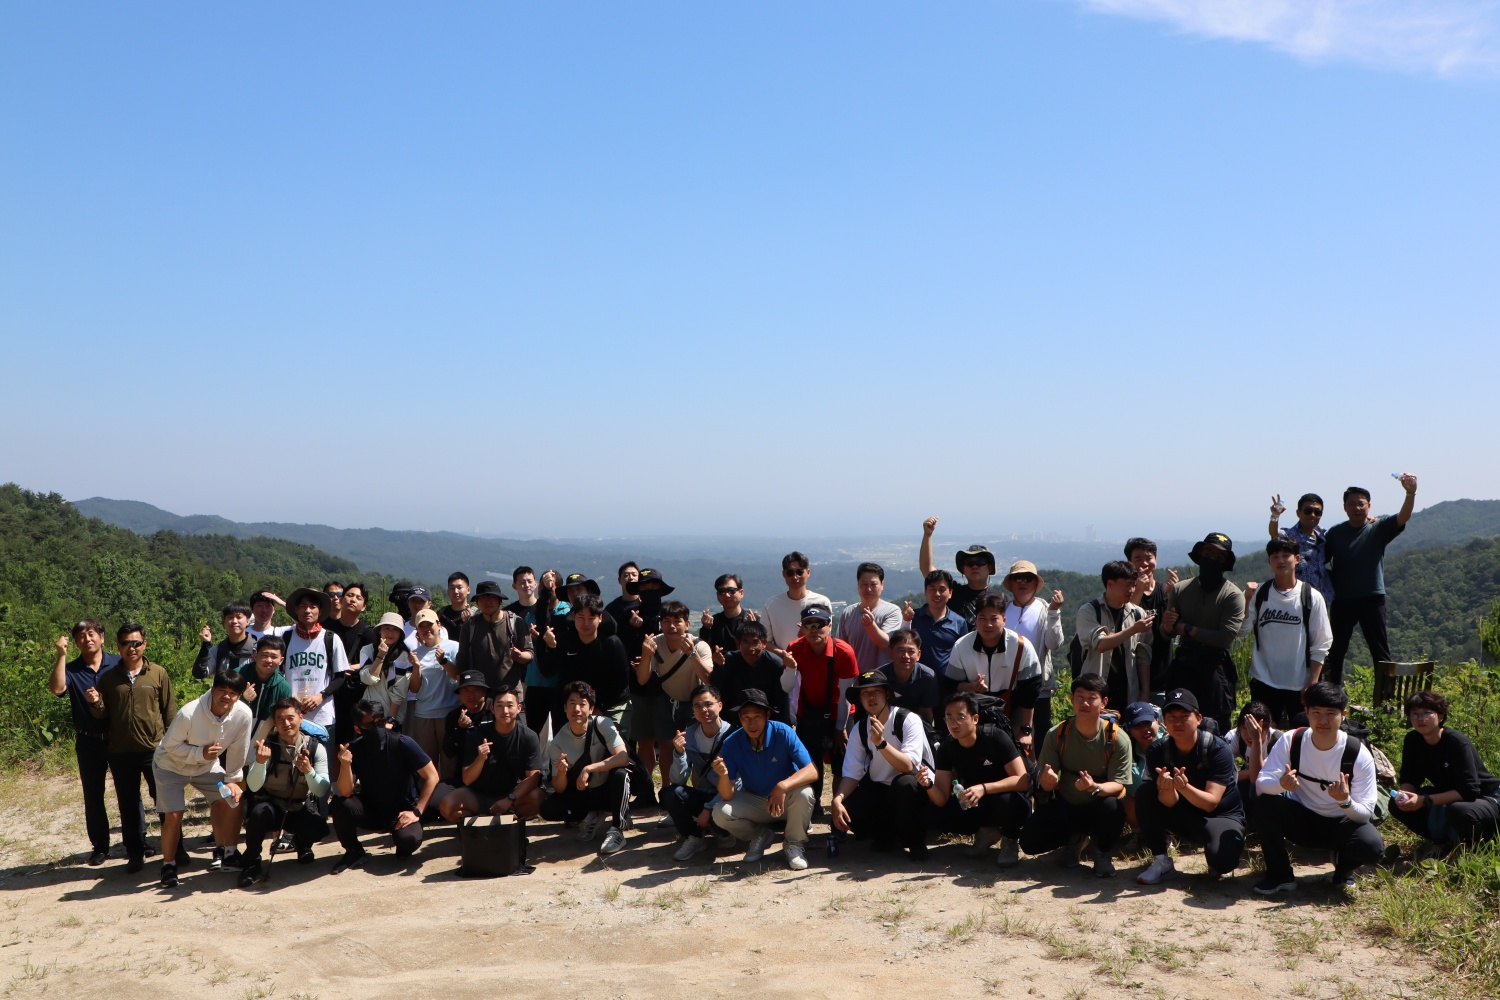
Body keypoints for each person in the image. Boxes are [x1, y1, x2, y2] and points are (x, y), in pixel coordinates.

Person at [1253, 682, 1384, 893]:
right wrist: (1280, 785)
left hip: (1341, 823)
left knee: (1372, 847)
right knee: (1264, 803)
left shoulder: (1358, 754)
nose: (1323, 720)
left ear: (1343, 715)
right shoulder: (1292, 740)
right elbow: (1261, 784)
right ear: (1306, 712)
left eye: (1331, 714)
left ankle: (1343, 867)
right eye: (1316, 713)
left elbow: (1364, 814)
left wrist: (1345, 801)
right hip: (1302, 819)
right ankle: (1279, 875)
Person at [1021, 675, 1132, 877]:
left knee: (1113, 806)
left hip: (1099, 807)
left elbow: (1118, 785)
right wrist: (1047, 782)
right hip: (1067, 805)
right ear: (1072, 699)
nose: (1085, 703)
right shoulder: (1057, 734)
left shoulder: (1117, 738)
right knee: (1029, 841)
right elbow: (1045, 782)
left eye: (1092, 697)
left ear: (1104, 702)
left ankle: (1102, 852)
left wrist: (1094, 787)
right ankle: (1074, 841)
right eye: (1080, 696)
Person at [151, 670, 254, 887]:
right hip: (170, 765)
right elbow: (169, 746)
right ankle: (168, 865)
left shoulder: (243, 715)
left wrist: (232, 779)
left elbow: (239, 749)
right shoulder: (189, 713)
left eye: (233, 693)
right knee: (174, 814)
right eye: (222, 691)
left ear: (239, 696)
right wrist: (201, 753)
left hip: (206, 766)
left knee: (233, 798)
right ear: (213, 690)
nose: (226, 696)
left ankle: (227, 853)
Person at [86, 622, 174, 873]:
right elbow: (102, 714)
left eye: (136, 643)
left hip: (154, 750)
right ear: (118, 646)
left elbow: (169, 711)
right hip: (121, 752)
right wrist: (95, 702)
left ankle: (175, 848)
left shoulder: (158, 673)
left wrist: (174, 744)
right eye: (125, 643)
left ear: (144, 644)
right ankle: (135, 852)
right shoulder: (108, 678)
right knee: (128, 806)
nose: (131, 648)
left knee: (165, 801)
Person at [1134, 689, 1245, 884]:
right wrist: (1167, 788)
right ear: (1164, 722)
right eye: (1172, 717)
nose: (1178, 723)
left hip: (1220, 815)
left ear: (1198, 718)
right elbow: (1167, 802)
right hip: (1184, 812)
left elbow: (1211, 803)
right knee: (1145, 793)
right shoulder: (1157, 750)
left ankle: (1215, 858)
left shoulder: (1218, 749)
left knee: (1223, 861)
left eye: (1185, 716)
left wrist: (1184, 787)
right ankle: (1162, 861)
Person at [1323, 475, 1418, 686]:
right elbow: (1319, 561)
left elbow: (1403, 517)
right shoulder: (1335, 533)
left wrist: (1410, 493)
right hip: (1343, 599)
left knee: (1380, 650)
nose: (1356, 508)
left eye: (1361, 503)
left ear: (1369, 506)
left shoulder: (1378, 528)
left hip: (1372, 598)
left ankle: (1386, 697)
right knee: (1336, 650)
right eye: (1351, 504)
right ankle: (1333, 695)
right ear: (1344, 507)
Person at [920, 692, 1033, 867]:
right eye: (949, 718)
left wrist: (983, 788)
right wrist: (927, 784)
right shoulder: (947, 747)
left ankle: (1010, 840)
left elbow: (1023, 781)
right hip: (976, 801)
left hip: (1009, 798)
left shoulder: (994, 737)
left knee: (1006, 803)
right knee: (932, 814)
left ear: (975, 719)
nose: (953, 724)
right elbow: (941, 798)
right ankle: (987, 831)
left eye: (960, 717)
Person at [712, 689, 819, 870]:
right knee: (720, 813)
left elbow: (812, 771)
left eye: (757, 716)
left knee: (805, 793)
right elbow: (727, 795)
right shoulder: (731, 743)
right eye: (746, 717)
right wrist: (723, 775)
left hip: (786, 800)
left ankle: (794, 843)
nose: (751, 723)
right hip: (755, 800)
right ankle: (759, 835)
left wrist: (782, 786)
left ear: (767, 715)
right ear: (739, 718)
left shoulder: (783, 732)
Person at [330, 699, 441, 872]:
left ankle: (402, 846)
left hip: (402, 811)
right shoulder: (355, 749)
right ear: (357, 729)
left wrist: (417, 812)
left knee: (409, 840)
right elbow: (345, 791)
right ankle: (353, 851)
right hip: (372, 810)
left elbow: (432, 776)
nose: (377, 728)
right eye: (371, 725)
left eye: (380, 722)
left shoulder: (402, 743)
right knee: (340, 805)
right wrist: (345, 765)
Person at [831, 671, 933, 860]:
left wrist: (881, 744)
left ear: (887, 694)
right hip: (880, 789)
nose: (871, 697)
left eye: (876, 691)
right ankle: (888, 836)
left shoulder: (908, 720)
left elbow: (908, 766)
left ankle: (915, 842)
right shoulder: (860, 728)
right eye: (865, 693)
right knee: (848, 808)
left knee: (905, 785)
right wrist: (837, 799)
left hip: (916, 787)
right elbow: (852, 773)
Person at [1238, 537, 1333, 727]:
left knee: (1301, 735)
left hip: (1300, 683)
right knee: (1262, 735)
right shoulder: (1259, 594)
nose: (1280, 560)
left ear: (1297, 558)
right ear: (1269, 561)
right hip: (1263, 680)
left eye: (1286, 555)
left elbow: (1321, 643)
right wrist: (1246, 599)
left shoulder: (1311, 597)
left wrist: (1312, 681)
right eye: (1275, 556)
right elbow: (1243, 630)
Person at [1391, 690, 1500, 853]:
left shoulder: (1456, 742)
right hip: (1451, 795)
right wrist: (1404, 796)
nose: (1421, 718)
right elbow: (1410, 777)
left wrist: (1424, 800)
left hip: (1486, 796)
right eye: (1415, 714)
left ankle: (1478, 845)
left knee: (1459, 811)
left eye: (1427, 713)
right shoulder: (1413, 740)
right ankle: (1443, 841)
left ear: (1440, 716)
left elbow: (1469, 790)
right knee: (1395, 804)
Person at [48, 620, 119, 865]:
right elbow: (57, 689)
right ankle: (100, 847)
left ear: (102, 637)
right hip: (88, 741)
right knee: (93, 795)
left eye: (91, 633)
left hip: (119, 738)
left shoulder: (118, 663)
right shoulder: (72, 669)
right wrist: (61, 656)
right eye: (81, 636)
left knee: (129, 793)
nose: (87, 639)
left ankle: (137, 841)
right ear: (76, 642)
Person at [1159, 534, 1246, 734]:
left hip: (1215, 669)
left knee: (1215, 727)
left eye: (1219, 556)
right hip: (1184, 666)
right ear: (1200, 554)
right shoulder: (1180, 589)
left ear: (1225, 562)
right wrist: (1167, 626)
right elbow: (1168, 632)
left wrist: (1187, 629)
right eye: (1208, 553)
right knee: (1179, 722)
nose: (1212, 559)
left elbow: (1224, 638)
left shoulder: (1232, 595)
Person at [239, 697, 331, 886]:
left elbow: (322, 790)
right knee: (258, 814)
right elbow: (253, 786)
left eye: (290, 718)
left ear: (301, 717)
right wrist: (260, 763)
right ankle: (252, 862)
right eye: (279, 719)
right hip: (271, 807)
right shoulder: (266, 747)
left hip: (299, 806)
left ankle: (302, 843)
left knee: (319, 828)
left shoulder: (315, 748)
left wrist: (309, 771)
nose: (286, 723)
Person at [540, 682, 632, 856]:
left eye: (582, 704)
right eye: (572, 703)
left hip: (607, 789)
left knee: (621, 775)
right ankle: (591, 815)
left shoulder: (603, 724)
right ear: (565, 708)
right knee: (548, 808)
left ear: (591, 709)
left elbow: (623, 758)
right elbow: (559, 788)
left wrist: (589, 768)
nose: (576, 709)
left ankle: (618, 829)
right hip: (583, 793)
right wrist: (561, 772)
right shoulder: (558, 742)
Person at [946, 592, 1042, 752]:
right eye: (982, 618)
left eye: (994, 618)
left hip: (1012, 708)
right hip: (974, 710)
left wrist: (1026, 730)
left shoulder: (1021, 646)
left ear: (1004, 620)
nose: (988, 624)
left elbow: (1030, 690)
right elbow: (951, 685)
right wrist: (971, 687)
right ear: (976, 620)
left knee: (1019, 757)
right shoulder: (962, 646)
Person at [785, 604, 859, 811]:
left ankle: (839, 805)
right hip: (808, 713)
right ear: (802, 627)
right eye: (809, 625)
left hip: (841, 712)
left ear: (830, 625)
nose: (815, 629)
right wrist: (790, 668)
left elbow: (846, 694)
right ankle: (813, 804)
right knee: (810, 762)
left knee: (842, 763)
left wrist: (840, 728)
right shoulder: (794, 649)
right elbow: (786, 687)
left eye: (820, 624)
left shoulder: (843, 651)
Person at [439, 685, 545, 827]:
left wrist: (509, 799)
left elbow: (533, 778)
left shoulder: (529, 736)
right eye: (499, 706)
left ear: (519, 708)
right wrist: (480, 759)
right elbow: (467, 779)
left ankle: (511, 819)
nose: (505, 711)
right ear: (492, 709)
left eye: (510, 706)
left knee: (538, 797)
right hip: (478, 795)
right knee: (447, 805)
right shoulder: (476, 733)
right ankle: (478, 823)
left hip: (512, 794)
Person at [637, 600, 714, 797]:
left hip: (695, 703)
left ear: (687, 624)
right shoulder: (655, 644)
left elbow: (708, 678)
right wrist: (646, 655)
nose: (671, 626)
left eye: (677, 621)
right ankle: (666, 790)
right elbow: (642, 679)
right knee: (666, 747)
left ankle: (698, 794)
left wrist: (692, 654)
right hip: (668, 701)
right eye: (666, 621)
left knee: (697, 750)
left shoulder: (700, 645)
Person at [663, 684, 734, 862]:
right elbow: (678, 779)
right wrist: (679, 753)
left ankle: (724, 832)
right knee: (669, 793)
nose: (704, 710)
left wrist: (708, 809)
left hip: (729, 797)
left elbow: (737, 783)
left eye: (709, 704)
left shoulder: (735, 736)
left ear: (720, 705)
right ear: (693, 710)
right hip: (704, 794)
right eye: (698, 706)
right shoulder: (689, 736)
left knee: (721, 814)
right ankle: (694, 836)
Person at [1075, 561, 1155, 710]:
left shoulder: (1138, 614)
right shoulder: (1090, 611)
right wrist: (1134, 629)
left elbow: (1143, 655)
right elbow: (1101, 644)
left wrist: (1145, 692)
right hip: (1095, 695)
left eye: (1134, 585)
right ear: (1110, 583)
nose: (1132, 590)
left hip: (1129, 693)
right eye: (1127, 585)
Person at [1000, 561, 1065, 736]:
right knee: (1008, 737)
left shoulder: (1045, 609)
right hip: (1007, 687)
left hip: (1038, 688)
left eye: (1028, 578)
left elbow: (1054, 644)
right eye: (1017, 578)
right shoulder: (1002, 611)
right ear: (1011, 583)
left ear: (1036, 583)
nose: (1023, 582)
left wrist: (1054, 612)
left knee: (1038, 737)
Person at [546, 595, 631, 725]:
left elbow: (622, 682)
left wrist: (600, 708)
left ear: (600, 618)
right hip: (573, 706)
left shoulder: (612, 643)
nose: (585, 623)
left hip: (608, 704)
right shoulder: (565, 640)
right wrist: (550, 648)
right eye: (581, 617)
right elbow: (549, 671)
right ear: (574, 617)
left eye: (591, 618)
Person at [509, 565, 570, 737]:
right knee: (531, 732)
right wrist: (532, 638)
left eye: (550, 586)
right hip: (535, 681)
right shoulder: (532, 614)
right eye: (543, 586)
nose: (545, 590)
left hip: (558, 683)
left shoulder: (567, 612)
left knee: (560, 733)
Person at [281, 587, 351, 734]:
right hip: (290, 715)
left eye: (313, 607)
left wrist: (321, 695)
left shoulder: (331, 639)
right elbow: (276, 673)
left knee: (322, 750)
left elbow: (340, 676)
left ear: (320, 610)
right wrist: (290, 695)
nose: (308, 611)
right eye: (303, 606)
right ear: (296, 609)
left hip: (322, 716)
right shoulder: (286, 638)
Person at [405, 609, 462, 779]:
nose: (426, 629)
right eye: (421, 626)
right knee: (426, 765)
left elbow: (459, 677)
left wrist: (444, 661)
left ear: (439, 625)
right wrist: (416, 667)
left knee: (449, 763)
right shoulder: (416, 654)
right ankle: (428, 795)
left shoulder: (453, 647)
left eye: (429, 625)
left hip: (449, 713)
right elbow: (414, 689)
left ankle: (448, 793)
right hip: (424, 714)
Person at [456, 580, 532, 692]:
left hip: (511, 694)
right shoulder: (470, 626)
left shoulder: (516, 623)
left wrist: (520, 655)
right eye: (483, 598)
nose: (488, 602)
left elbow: (529, 654)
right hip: (480, 694)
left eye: (492, 597)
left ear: (499, 600)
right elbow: (462, 661)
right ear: (477, 602)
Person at [918, 517, 994, 626]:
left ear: (990, 567)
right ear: (963, 569)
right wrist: (927, 535)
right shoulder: (954, 592)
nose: (974, 566)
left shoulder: (1000, 598)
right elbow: (927, 568)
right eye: (969, 563)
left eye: (980, 562)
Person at [325, 582, 375, 747]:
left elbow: (377, 662)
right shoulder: (327, 629)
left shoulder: (369, 633)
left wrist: (352, 667)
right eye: (349, 595)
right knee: (329, 742)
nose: (353, 599)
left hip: (354, 697)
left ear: (364, 606)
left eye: (358, 598)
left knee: (351, 744)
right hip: (329, 693)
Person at [716, 621, 789, 727]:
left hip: (768, 720)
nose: (750, 648)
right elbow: (719, 689)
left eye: (755, 642)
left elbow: (782, 702)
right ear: (738, 644)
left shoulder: (775, 664)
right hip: (736, 720)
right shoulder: (728, 661)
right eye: (745, 642)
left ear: (764, 643)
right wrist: (719, 667)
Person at [1124, 539, 1174, 691]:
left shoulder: (1164, 591)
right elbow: (1125, 620)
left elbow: (1173, 627)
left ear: (1156, 560)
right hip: (1132, 676)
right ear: (1129, 563)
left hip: (1163, 672)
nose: (1144, 563)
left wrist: (1174, 594)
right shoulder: (1125, 594)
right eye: (1138, 559)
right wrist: (1138, 590)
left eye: (1149, 558)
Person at [1269, 493, 1334, 606]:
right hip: (1298, 597)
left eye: (1317, 512)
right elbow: (1274, 533)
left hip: (1323, 596)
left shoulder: (1323, 534)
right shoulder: (1290, 535)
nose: (1312, 515)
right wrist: (1275, 516)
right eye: (1308, 511)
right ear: (1298, 513)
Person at [837, 562, 903, 673]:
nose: (868, 589)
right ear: (858, 585)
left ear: (882, 585)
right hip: (854, 678)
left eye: (873, 584)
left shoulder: (892, 611)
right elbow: (841, 648)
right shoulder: (848, 613)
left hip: (882, 679)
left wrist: (870, 626)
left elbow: (886, 643)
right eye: (864, 584)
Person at [903, 569, 968, 682]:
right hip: (916, 682)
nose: (937, 594)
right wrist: (905, 620)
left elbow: (964, 656)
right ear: (925, 591)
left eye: (942, 589)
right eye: (932, 589)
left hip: (948, 684)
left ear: (950, 593)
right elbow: (900, 643)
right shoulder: (914, 617)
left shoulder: (959, 623)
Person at [761, 551, 829, 650]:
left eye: (799, 572)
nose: (795, 577)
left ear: (808, 572)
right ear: (784, 574)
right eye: (790, 573)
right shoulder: (771, 605)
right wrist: (784, 655)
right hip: (781, 659)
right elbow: (764, 641)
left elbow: (826, 638)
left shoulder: (822, 602)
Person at [1227, 701, 1281, 825]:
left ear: (1268, 727)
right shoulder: (1234, 737)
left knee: (1257, 786)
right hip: (1247, 781)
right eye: (1245, 728)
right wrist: (1248, 772)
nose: (1250, 734)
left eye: (1256, 729)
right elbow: (1223, 775)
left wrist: (1257, 741)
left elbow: (1257, 778)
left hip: (1272, 787)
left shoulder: (1278, 741)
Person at [877, 630, 941, 729]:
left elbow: (926, 713)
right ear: (890, 653)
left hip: (915, 726)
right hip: (885, 725)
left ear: (918, 655)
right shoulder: (879, 677)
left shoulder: (928, 677)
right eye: (900, 650)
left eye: (911, 651)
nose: (906, 656)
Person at [1120, 701, 1165, 839]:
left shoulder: (1171, 742)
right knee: (1126, 797)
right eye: (1137, 725)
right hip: (1140, 801)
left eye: (1147, 722)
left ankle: (1170, 833)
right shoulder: (1125, 749)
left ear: (1157, 721)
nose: (1145, 729)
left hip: (1171, 799)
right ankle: (1138, 833)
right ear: (1129, 730)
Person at [441, 671, 495, 776]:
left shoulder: (496, 710)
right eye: (465, 690)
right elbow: (449, 752)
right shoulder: (454, 716)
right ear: (460, 694)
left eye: (476, 690)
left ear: (484, 691)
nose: (471, 695)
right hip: (466, 772)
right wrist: (460, 729)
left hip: (495, 769)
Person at [240, 635, 294, 739]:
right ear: (255, 656)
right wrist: (243, 699)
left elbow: (283, 719)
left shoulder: (284, 688)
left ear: (281, 660)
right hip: (234, 734)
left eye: (274, 657)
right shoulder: (238, 675)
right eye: (264, 655)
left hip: (265, 739)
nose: (269, 660)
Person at [191, 602, 258, 680]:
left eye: (239, 617)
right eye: (230, 617)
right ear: (224, 621)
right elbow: (199, 674)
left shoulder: (257, 649)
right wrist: (206, 644)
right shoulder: (218, 650)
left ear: (248, 621)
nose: (234, 621)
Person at [698, 573, 757, 659]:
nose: (727, 595)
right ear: (717, 595)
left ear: (741, 593)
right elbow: (703, 651)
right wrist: (706, 629)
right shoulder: (713, 622)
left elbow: (759, 652)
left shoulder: (752, 620)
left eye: (731, 591)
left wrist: (752, 629)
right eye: (722, 591)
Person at [438, 572, 477, 638]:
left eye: (459, 587)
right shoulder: (441, 613)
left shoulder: (476, 615)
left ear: (468, 590)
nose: (456, 591)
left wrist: (470, 622)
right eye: (452, 588)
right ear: (448, 591)